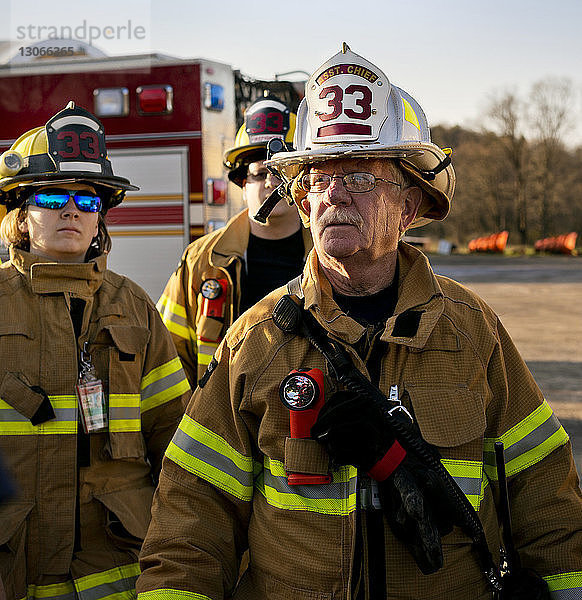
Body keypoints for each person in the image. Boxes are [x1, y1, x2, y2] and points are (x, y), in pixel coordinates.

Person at [136, 46, 582, 600]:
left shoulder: (472, 332)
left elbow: (548, 497)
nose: (335, 193)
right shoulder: (257, 341)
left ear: (411, 204)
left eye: (361, 175)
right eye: (320, 177)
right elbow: (190, 520)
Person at [0, 102, 191, 600]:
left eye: (87, 201)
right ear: (20, 216)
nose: (71, 211)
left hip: (117, 566)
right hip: (13, 564)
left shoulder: (133, 307)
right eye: (51, 196)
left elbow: (175, 436)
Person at [157, 95, 312, 387]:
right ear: (242, 184)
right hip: (220, 422)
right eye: (260, 173)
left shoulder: (329, 256)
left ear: (302, 178)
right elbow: (168, 356)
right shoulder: (201, 260)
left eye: (281, 171)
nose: (270, 184)